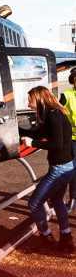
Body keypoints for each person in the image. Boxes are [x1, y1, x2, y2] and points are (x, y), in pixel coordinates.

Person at [19, 86, 75, 254]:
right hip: (67, 166)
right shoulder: (53, 114)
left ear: (39, 99)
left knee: (34, 203)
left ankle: (46, 237)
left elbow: (56, 144)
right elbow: (37, 133)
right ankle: (66, 237)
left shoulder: (54, 116)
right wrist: (14, 128)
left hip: (60, 168)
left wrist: (32, 144)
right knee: (57, 201)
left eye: (30, 100)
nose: (28, 104)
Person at [60, 67, 76, 212]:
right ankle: (72, 199)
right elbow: (58, 114)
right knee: (71, 170)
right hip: (72, 139)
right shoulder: (67, 95)